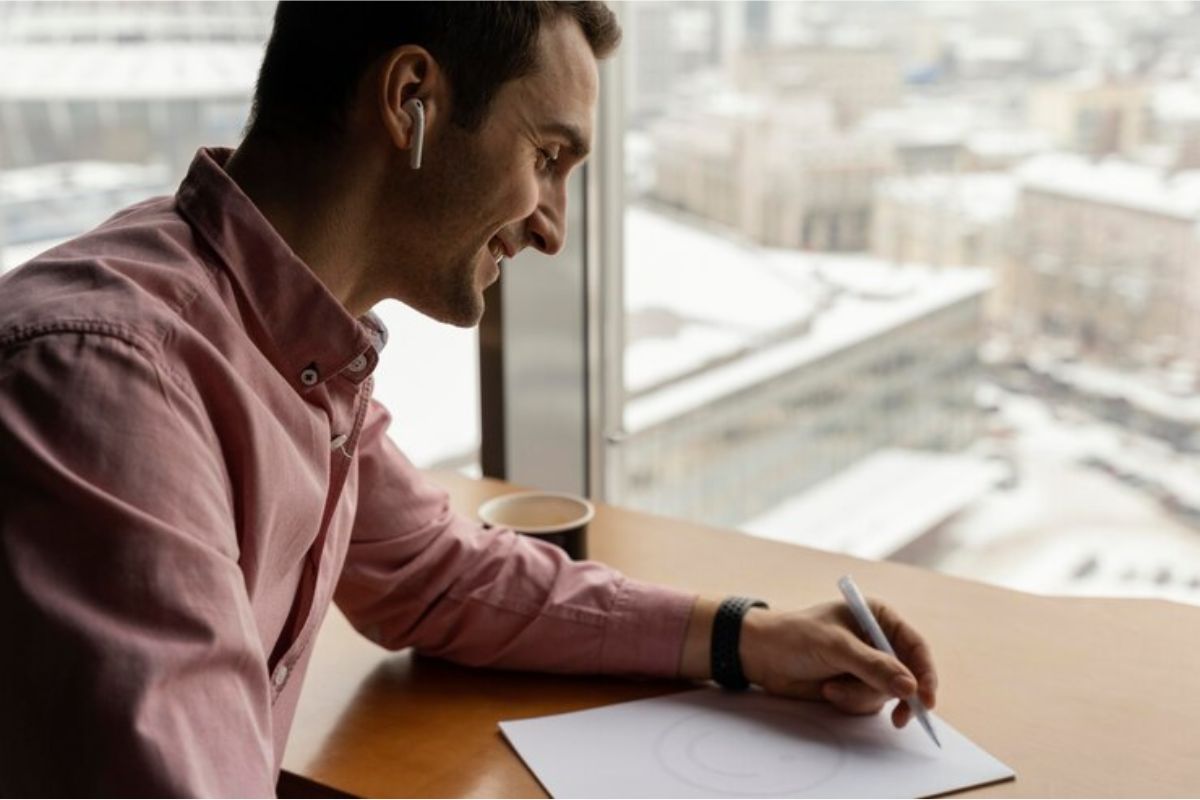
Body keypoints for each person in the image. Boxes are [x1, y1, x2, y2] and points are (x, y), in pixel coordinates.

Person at [0, 2, 938, 795]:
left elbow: (442, 577)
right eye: (547, 155)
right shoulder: (113, 384)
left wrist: (751, 639)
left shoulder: (283, 341)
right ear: (411, 101)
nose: (553, 228)